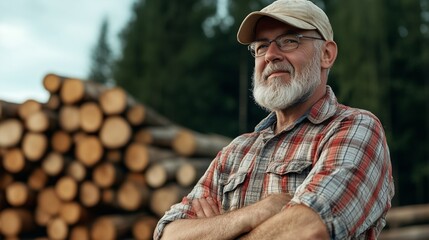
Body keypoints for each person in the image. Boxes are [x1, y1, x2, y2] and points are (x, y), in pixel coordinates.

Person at [153, 0, 394, 239]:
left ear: (327, 54)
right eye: (261, 46)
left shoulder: (355, 128)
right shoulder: (235, 152)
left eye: (289, 41)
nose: (270, 55)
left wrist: (218, 228)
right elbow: (168, 234)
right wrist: (257, 212)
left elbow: (308, 230)